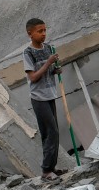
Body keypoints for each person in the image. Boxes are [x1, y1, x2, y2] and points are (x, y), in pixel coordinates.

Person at [23, 18, 69, 181]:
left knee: (50, 132)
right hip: (39, 98)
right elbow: (33, 77)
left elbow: (48, 72)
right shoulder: (28, 53)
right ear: (30, 34)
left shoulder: (49, 48)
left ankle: (52, 168)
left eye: (44, 30)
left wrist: (55, 70)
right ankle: (46, 170)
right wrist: (48, 62)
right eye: (39, 31)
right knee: (52, 132)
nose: (43, 34)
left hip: (50, 95)